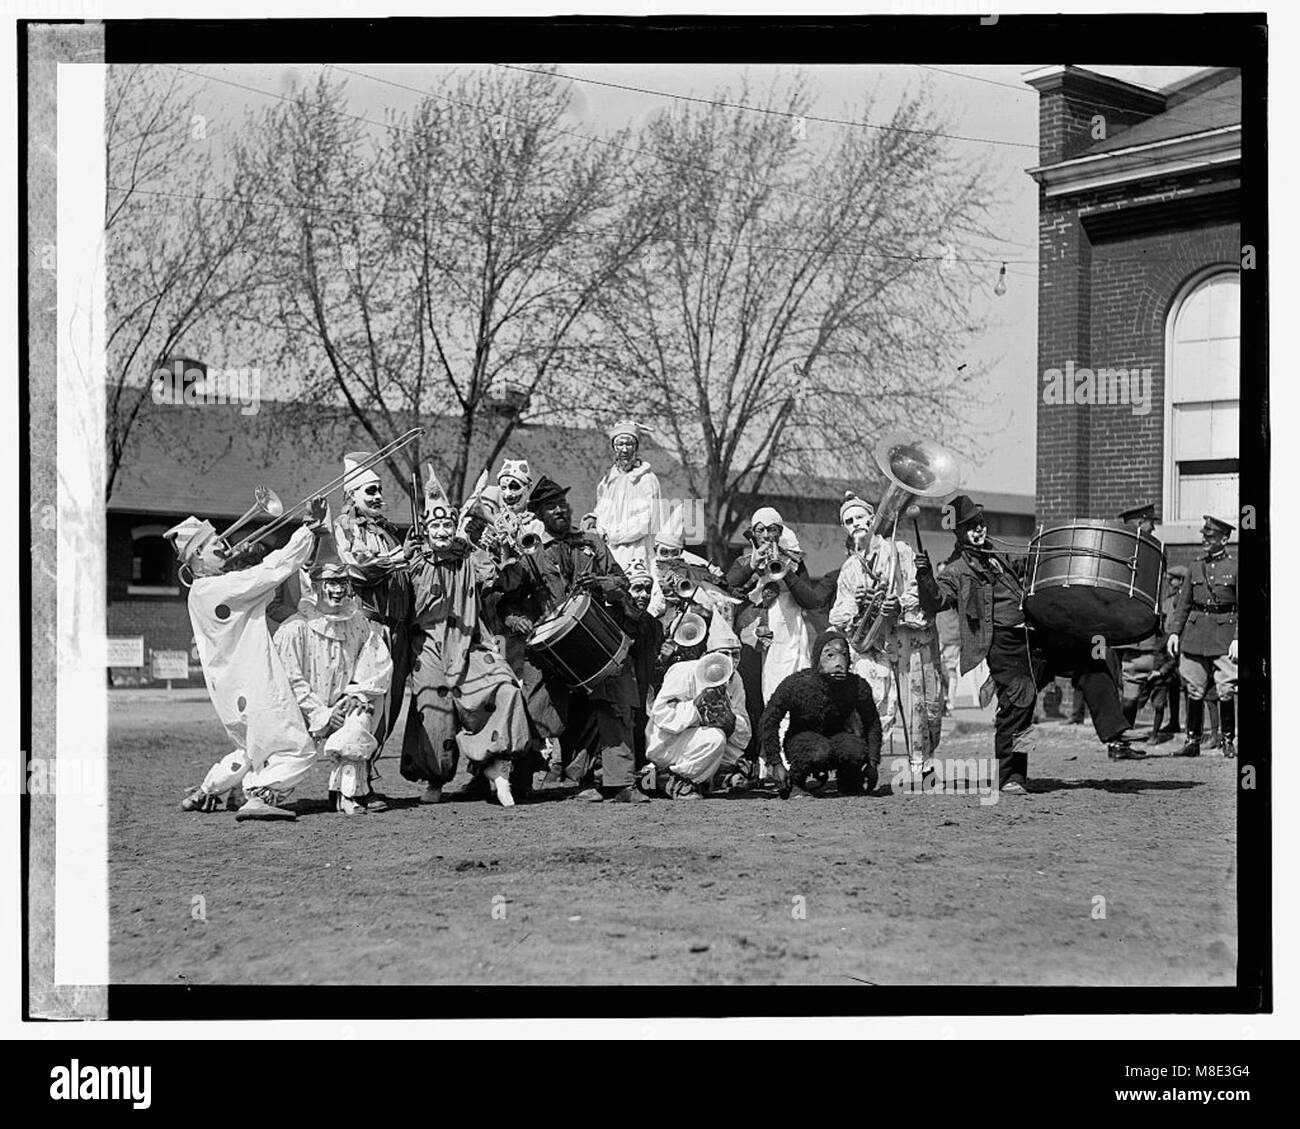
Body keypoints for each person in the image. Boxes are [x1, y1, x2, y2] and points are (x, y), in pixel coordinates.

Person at [916, 495, 1140, 794]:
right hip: (1004, 645)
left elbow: (1029, 572)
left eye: (980, 523)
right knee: (1019, 701)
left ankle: (1115, 731)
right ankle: (1011, 777)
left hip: (1036, 635)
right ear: (957, 532)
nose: (979, 530)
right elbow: (935, 601)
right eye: (970, 527)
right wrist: (924, 576)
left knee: (1089, 655)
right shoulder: (956, 570)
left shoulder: (997, 553)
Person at [171, 500, 330, 821]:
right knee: (298, 749)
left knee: (250, 749)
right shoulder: (217, 588)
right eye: (216, 544)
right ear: (198, 555)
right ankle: (259, 794)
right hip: (255, 684)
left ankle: (208, 791)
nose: (224, 547)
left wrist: (239, 562)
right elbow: (271, 572)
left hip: (231, 693)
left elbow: (255, 586)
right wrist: (307, 530)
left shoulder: (202, 590)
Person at [400, 469, 531, 807]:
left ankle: (497, 768)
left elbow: (506, 582)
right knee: (435, 710)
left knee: (504, 688)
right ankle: (435, 778)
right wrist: (405, 558)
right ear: (426, 529)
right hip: (428, 645)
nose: (442, 532)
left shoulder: (471, 557)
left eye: (447, 526)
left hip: (471, 639)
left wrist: (507, 549)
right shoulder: (414, 559)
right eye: (436, 526)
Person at [527, 474, 649, 804]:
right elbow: (514, 595)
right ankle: (568, 781)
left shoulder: (592, 542)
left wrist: (601, 584)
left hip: (598, 639)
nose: (561, 511)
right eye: (552, 507)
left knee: (617, 706)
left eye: (564, 504)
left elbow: (621, 582)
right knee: (554, 713)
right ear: (540, 515)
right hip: (555, 648)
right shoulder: (532, 551)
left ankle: (622, 783)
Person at [273, 533, 393, 814]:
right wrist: (322, 714)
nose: (338, 590)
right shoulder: (295, 629)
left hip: (345, 703)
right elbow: (291, 681)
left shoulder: (359, 624)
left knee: (361, 717)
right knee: (278, 769)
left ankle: (347, 793)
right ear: (316, 587)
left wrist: (356, 693)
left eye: (342, 582)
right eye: (331, 583)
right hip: (300, 713)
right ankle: (223, 788)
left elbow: (375, 663)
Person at [829, 491, 942, 780]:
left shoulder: (900, 550)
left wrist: (899, 604)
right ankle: (867, 764)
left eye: (859, 517)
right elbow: (838, 614)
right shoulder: (850, 568)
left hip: (907, 637)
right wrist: (858, 603)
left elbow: (918, 591)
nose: (855, 523)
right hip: (874, 646)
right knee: (873, 705)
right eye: (848, 521)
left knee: (920, 705)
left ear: (870, 518)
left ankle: (922, 766)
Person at [333, 451, 413, 748]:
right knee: (367, 700)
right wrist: (394, 560)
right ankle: (355, 775)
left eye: (379, 489)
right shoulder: (344, 526)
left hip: (397, 629)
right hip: (370, 629)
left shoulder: (387, 531)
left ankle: (367, 769)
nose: (378, 496)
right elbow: (355, 570)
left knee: (390, 706)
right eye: (371, 490)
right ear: (352, 495)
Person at [760, 629, 883, 799]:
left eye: (844, 655)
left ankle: (849, 782)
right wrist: (775, 763)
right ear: (818, 659)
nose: (839, 663)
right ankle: (797, 782)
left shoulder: (856, 686)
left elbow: (873, 723)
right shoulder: (797, 685)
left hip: (837, 737)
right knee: (819, 750)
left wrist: (872, 761)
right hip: (802, 740)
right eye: (830, 655)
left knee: (854, 749)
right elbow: (769, 721)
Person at [645, 614, 751, 799]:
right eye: (724, 653)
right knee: (715, 738)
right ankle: (673, 780)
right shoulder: (684, 670)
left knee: (730, 746)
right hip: (669, 742)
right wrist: (696, 708)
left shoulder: (736, 680)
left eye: (735, 654)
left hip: (699, 740)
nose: (731, 659)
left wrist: (731, 721)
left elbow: (744, 730)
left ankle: (713, 776)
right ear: (707, 656)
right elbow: (661, 714)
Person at [725, 506, 817, 702]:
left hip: (787, 635)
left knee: (787, 691)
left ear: (780, 532)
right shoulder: (743, 561)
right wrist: (752, 565)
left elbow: (811, 601)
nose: (766, 535)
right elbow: (728, 587)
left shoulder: (793, 563)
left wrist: (785, 571)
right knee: (753, 693)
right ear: (754, 534)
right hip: (752, 638)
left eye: (772, 529)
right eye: (760, 530)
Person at [1166, 515, 1238, 759]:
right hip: (1195, 634)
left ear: (1224, 539)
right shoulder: (1195, 566)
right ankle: (1192, 741)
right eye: (1204, 537)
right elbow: (1184, 604)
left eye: (1211, 537)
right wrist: (1175, 633)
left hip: (1224, 636)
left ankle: (1228, 741)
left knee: (1226, 689)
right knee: (1193, 688)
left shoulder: (1235, 567)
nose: (1205, 541)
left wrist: (1238, 638)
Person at [593, 418, 663, 577]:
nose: (624, 450)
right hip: (608, 551)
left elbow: (648, 519)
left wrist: (614, 534)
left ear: (636, 447)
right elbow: (601, 510)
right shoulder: (607, 481)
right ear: (613, 448)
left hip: (636, 551)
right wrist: (593, 519)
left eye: (629, 444)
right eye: (620, 445)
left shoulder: (647, 479)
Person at [623, 557, 665, 771]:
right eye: (637, 589)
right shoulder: (615, 618)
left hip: (644, 693)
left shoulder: (655, 625)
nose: (644, 595)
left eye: (648, 589)